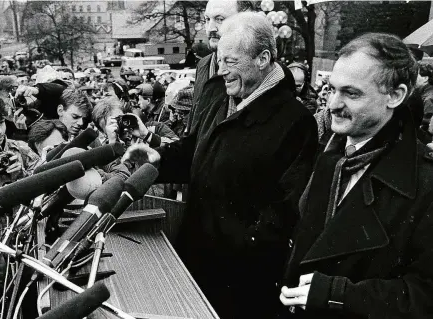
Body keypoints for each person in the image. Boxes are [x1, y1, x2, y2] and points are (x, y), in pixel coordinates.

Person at [132, 13, 317, 318]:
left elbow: (284, 210)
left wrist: (240, 250)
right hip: (196, 256)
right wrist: (158, 158)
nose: (221, 70)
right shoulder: (220, 93)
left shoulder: (295, 123)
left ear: (263, 58)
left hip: (239, 281)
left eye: (230, 61)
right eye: (220, 60)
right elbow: (197, 148)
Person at [279, 33, 433, 319]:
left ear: (395, 95)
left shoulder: (426, 182)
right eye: (332, 89)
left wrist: (338, 295)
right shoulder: (332, 157)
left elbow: (425, 295)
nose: (332, 105)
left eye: (351, 93)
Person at [186, 0, 254, 134]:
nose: (210, 28)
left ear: (246, 20)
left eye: (219, 19)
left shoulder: (259, 69)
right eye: (206, 19)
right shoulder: (203, 65)